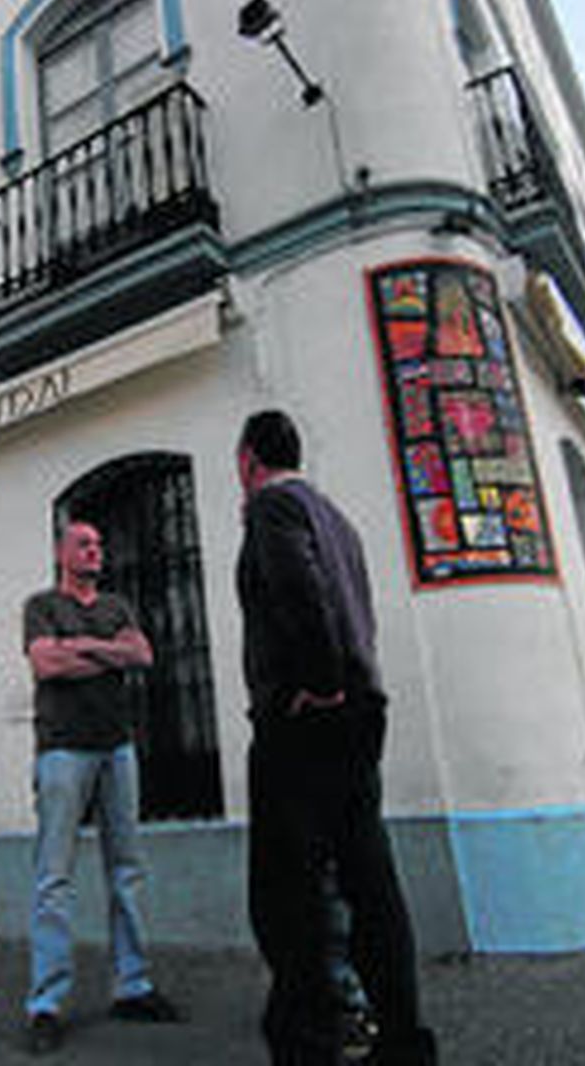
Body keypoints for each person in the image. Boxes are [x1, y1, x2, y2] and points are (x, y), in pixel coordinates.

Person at [235, 410, 437, 1066]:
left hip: (305, 722)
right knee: (369, 881)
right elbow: (358, 612)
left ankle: (306, 1045)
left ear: (248, 460)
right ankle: (403, 1039)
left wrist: (320, 683)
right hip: (361, 713)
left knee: (286, 893)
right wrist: (349, 685)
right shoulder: (339, 520)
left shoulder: (271, 507)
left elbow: (299, 589)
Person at [21, 519, 182, 1054]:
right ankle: (46, 1004)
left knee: (126, 870)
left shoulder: (118, 607)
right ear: (61, 552)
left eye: (98, 544)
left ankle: (132, 986)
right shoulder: (41, 605)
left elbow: (143, 655)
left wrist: (82, 646)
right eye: (84, 544)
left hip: (118, 748)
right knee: (53, 877)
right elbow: (45, 663)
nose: (95, 551)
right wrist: (107, 652)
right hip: (62, 749)